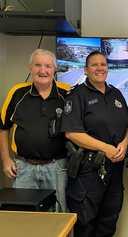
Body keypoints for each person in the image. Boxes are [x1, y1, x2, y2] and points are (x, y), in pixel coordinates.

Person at [61, 51, 128, 237]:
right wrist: (105, 148)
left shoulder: (116, 94)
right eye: (94, 65)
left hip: (114, 170)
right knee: (85, 224)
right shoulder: (77, 95)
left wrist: (125, 142)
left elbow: (127, 126)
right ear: (86, 69)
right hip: (88, 171)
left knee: (109, 221)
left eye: (103, 64)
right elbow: (72, 133)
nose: (100, 68)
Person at [0, 49, 70, 211]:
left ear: (55, 69)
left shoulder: (67, 93)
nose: (43, 70)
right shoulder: (17, 93)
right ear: (30, 68)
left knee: (57, 216)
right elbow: (3, 128)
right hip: (24, 167)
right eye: (37, 65)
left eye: (48, 66)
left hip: (57, 167)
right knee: (23, 216)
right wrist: (5, 160)